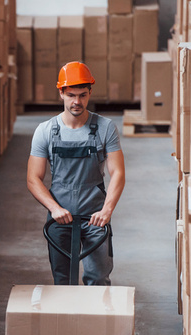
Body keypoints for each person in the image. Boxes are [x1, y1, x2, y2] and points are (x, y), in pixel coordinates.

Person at [27, 61, 126, 285]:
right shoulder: (45, 131)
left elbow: (118, 172)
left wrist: (107, 210)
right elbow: (33, 178)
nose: (77, 101)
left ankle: (98, 320)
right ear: (61, 92)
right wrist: (54, 208)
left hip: (95, 217)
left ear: (90, 92)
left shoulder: (105, 127)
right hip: (59, 217)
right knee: (63, 281)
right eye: (71, 95)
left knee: (98, 278)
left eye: (82, 95)